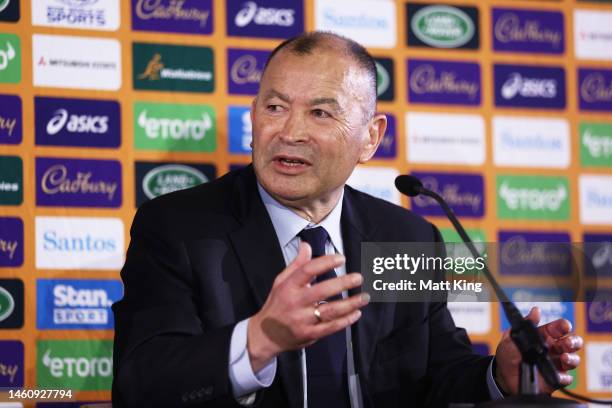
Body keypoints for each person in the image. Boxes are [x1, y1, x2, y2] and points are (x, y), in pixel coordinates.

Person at [112, 31, 582, 407]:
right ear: (253, 117)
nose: (289, 132)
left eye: (320, 112)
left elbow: (435, 379)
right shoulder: (179, 229)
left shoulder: (407, 239)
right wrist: (259, 339)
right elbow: (140, 383)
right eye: (274, 107)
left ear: (370, 138)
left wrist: (499, 376)